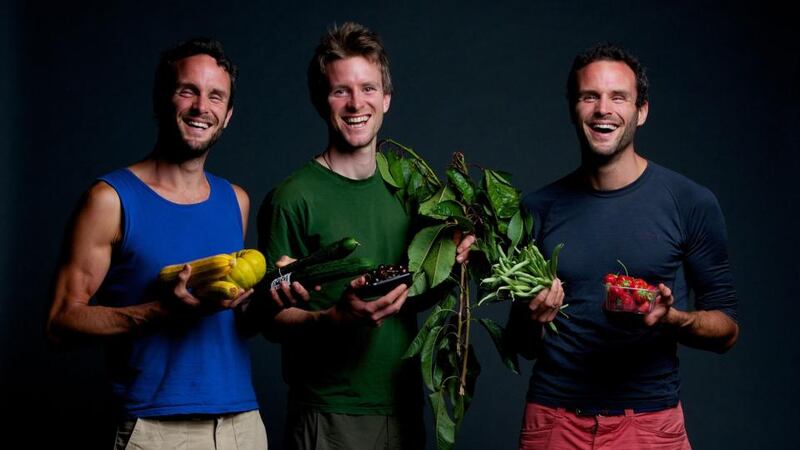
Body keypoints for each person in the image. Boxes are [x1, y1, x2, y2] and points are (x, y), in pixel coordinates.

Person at [505, 43, 739, 450]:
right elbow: (520, 345)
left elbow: (727, 330)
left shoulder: (690, 202)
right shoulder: (536, 209)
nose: (602, 109)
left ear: (641, 111)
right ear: (573, 108)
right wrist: (533, 317)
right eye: (589, 96)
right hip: (554, 422)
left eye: (619, 97)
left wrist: (674, 320)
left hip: (649, 424)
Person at [253, 22, 472, 450]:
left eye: (368, 88)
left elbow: (413, 293)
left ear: (386, 99)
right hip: (331, 415)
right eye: (341, 91)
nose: (357, 103)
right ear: (322, 100)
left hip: (403, 407)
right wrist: (333, 319)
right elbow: (270, 318)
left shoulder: (410, 191)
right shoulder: (292, 198)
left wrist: (454, 259)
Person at [46, 38, 268, 449]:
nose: (202, 107)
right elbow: (59, 324)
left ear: (228, 115)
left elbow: (230, 320)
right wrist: (160, 312)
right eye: (188, 91)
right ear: (162, 100)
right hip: (157, 428)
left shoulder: (235, 200)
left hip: (243, 424)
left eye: (215, 96)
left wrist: (275, 295)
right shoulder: (110, 199)